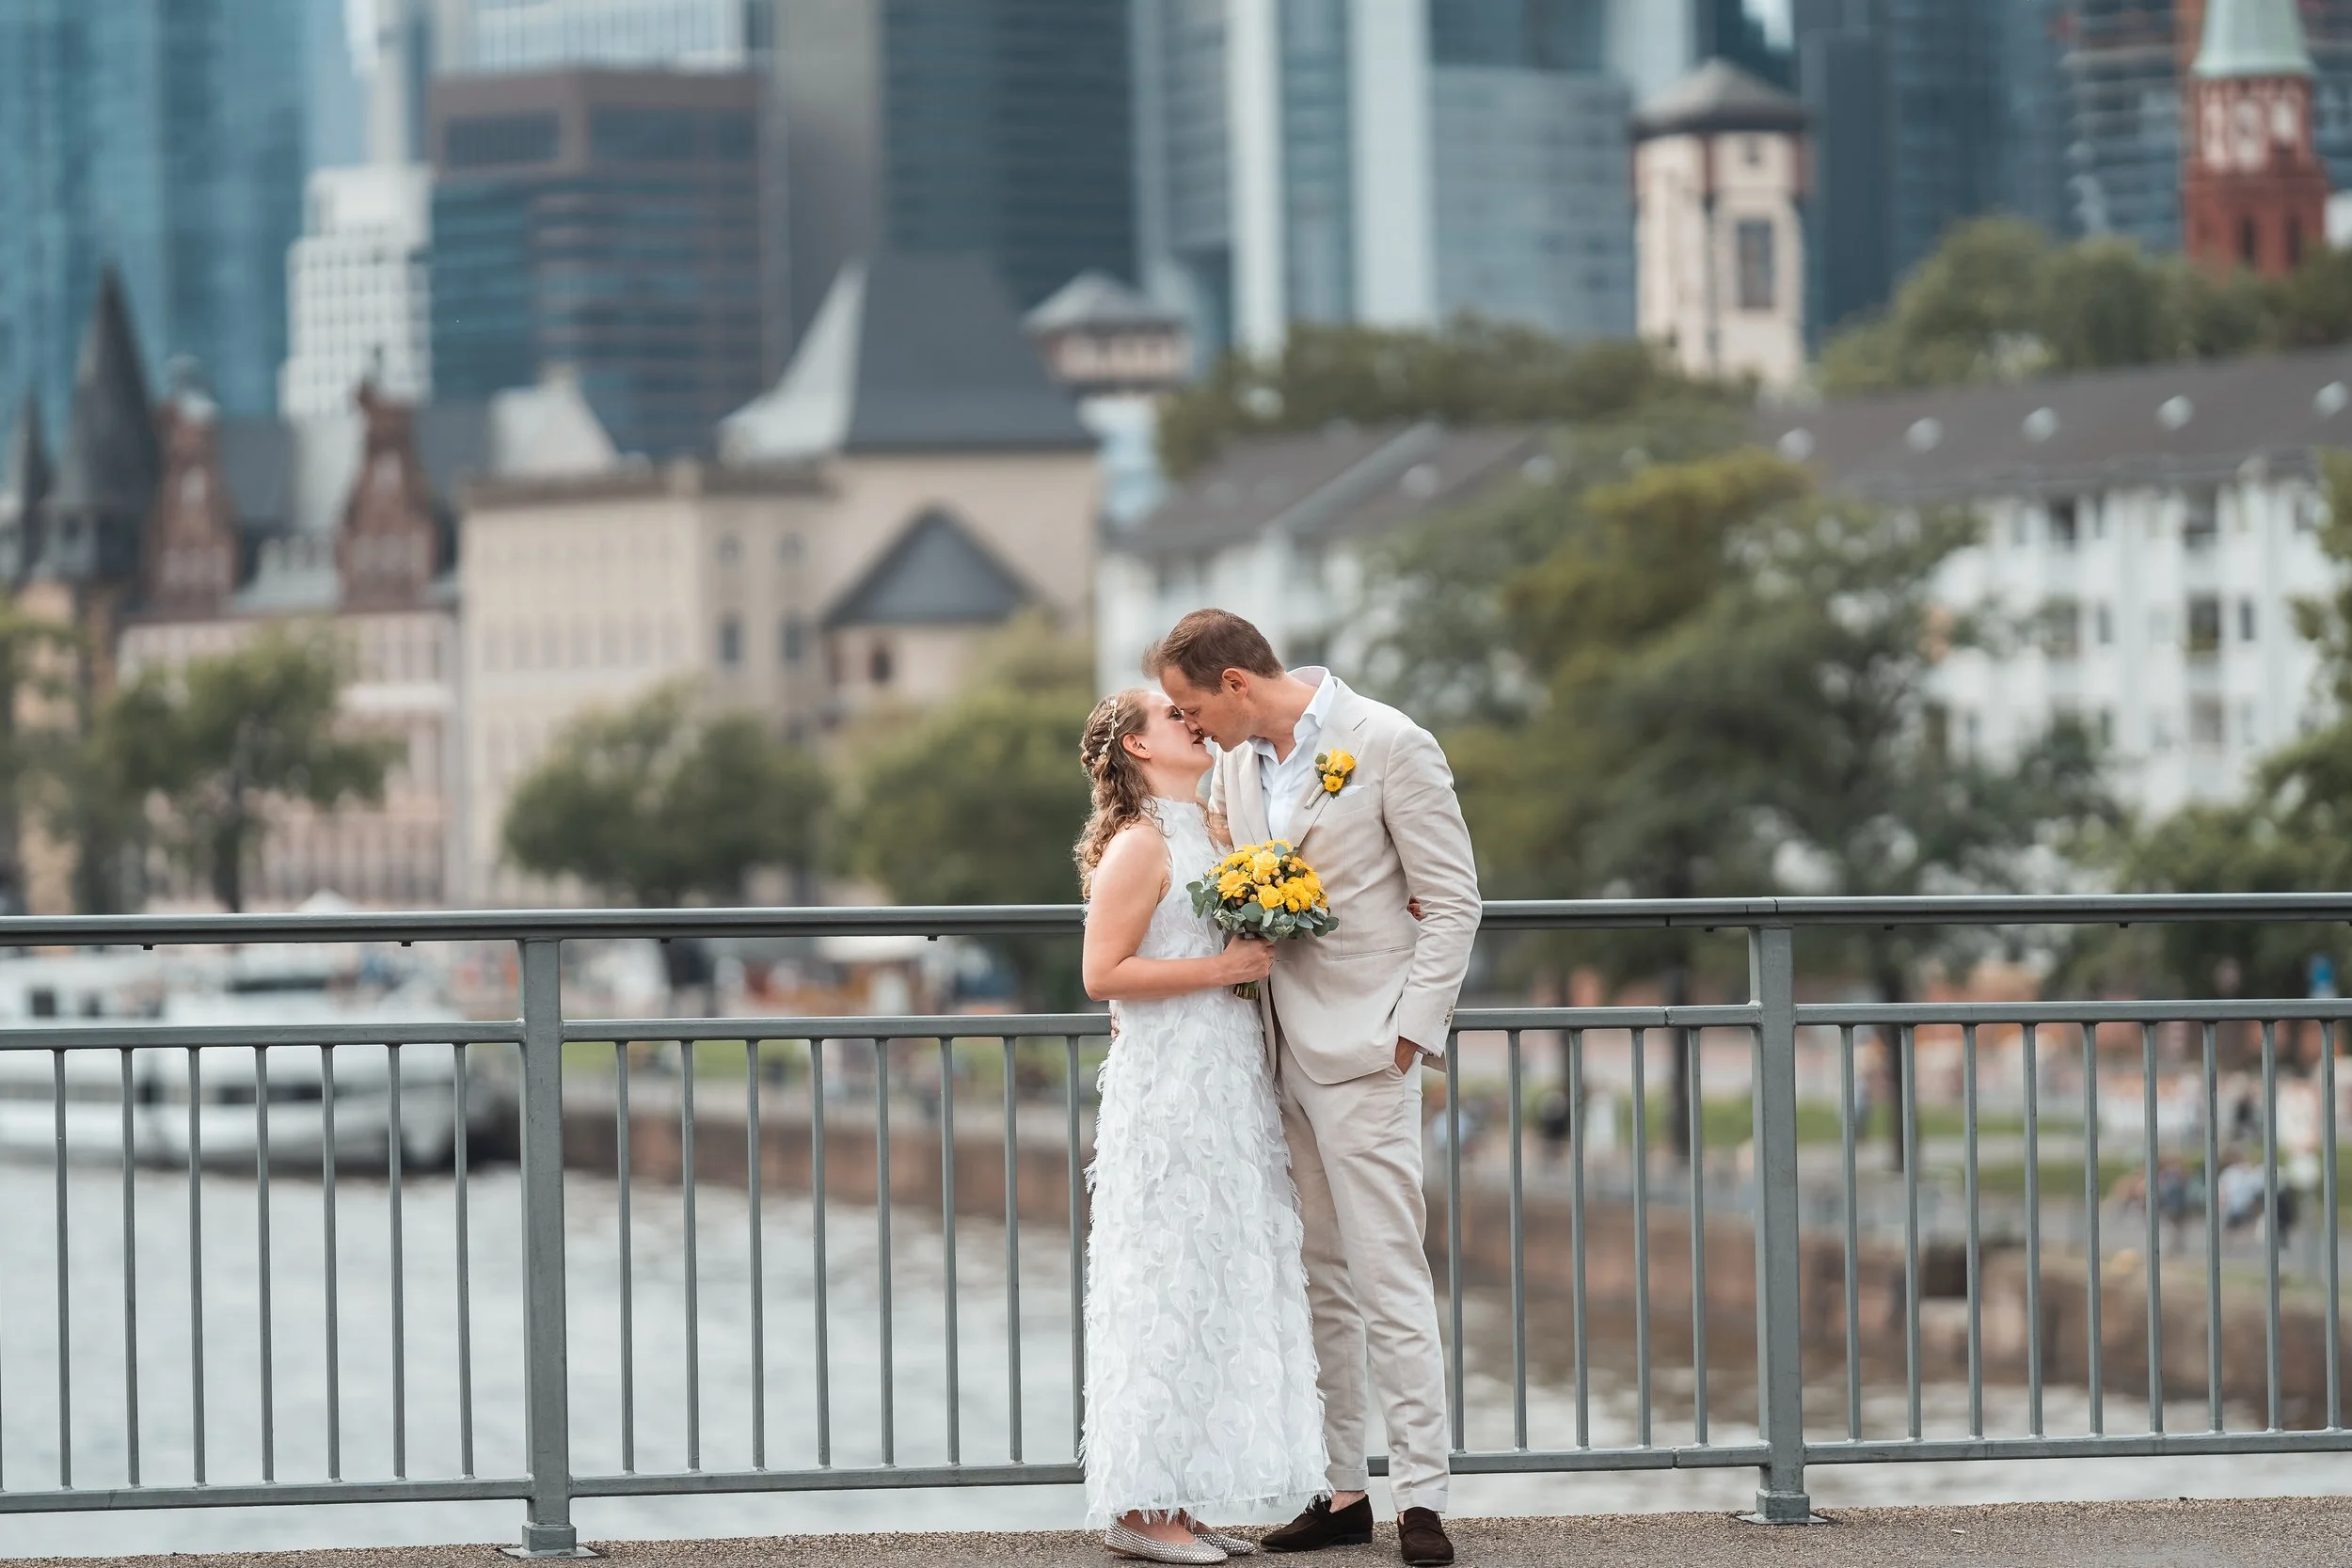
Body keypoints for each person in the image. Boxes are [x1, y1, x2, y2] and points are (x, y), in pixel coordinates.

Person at [1150, 610, 1481, 1568]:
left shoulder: (1387, 742)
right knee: (1318, 1281)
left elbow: (1452, 897)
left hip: (1368, 1050)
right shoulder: (1235, 767)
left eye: (1191, 703)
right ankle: (1342, 1490)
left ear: (1236, 683)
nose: (1189, 722)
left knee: (1389, 1273)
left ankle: (1422, 1495)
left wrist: (1410, 1030)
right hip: (1273, 1051)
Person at [1076, 688, 1329, 1564]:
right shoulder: (1141, 843)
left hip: (1226, 1076)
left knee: (1214, 1274)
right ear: (1138, 749)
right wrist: (1222, 965)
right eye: (1169, 715)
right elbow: (1100, 972)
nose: (1190, 718)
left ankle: (1176, 1496)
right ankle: (1141, 1509)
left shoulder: (1214, 833)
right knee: (1162, 1277)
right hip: (1170, 1084)